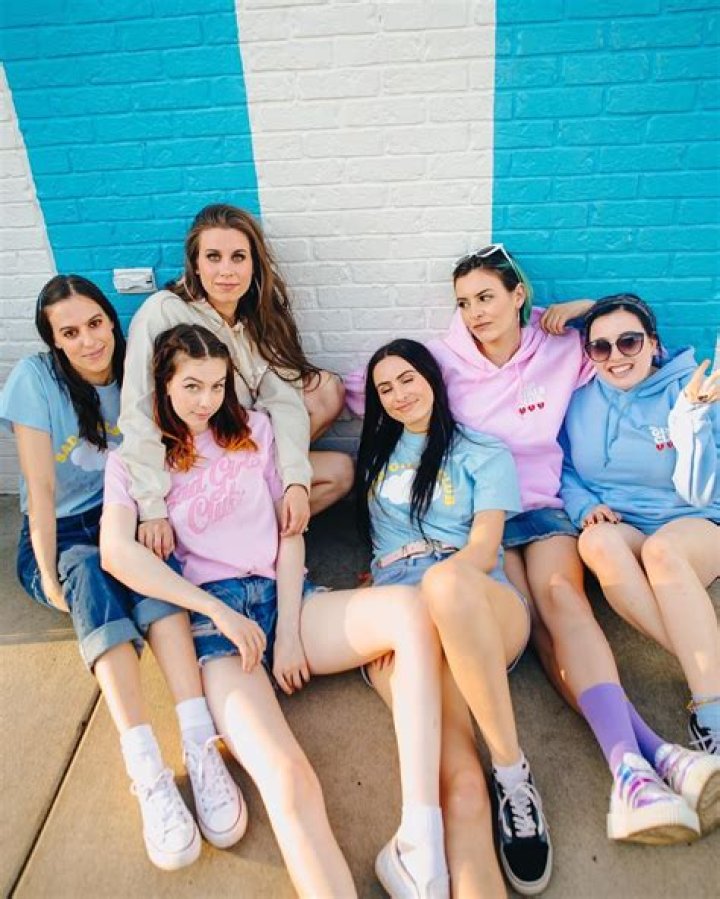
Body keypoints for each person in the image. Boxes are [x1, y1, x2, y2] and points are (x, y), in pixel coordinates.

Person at [345, 245, 716, 846]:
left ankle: (634, 768)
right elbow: (368, 390)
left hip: (541, 507)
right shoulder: (442, 361)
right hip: (471, 522)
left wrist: (583, 308)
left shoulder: (562, 348)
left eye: (487, 297)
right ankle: (647, 756)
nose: (475, 313)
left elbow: (627, 344)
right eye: (464, 303)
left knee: (562, 602)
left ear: (519, 296)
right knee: (536, 632)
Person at [101, 323, 449, 899]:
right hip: (217, 630)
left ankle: (419, 834)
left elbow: (290, 531)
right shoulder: (135, 461)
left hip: (286, 596)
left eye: (217, 386)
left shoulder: (253, 430)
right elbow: (116, 553)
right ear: (162, 384)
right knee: (287, 779)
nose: (207, 401)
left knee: (411, 610)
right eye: (191, 386)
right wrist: (214, 610)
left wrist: (288, 630)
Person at [0, 275, 246, 871]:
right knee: (89, 570)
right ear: (54, 341)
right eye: (70, 333)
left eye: (95, 324)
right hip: (62, 533)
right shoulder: (35, 380)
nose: (88, 341)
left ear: (112, 320)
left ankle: (199, 740)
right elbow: (40, 489)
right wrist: (53, 579)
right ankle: (147, 768)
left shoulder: (138, 365)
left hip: (123, 512)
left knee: (152, 568)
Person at [356, 338, 551, 898]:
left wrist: (434, 596)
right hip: (409, 625)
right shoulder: (376, 456)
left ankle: (512, 773)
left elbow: (485, 550)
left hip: (478, 606)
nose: (398, 394)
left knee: (443, 584)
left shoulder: (482, 451)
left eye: (407, 379)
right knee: (459, 785)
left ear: (433, 378)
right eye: (384, 388)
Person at [119, 203, 353, 562]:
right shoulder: (164, 312)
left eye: (238, 257)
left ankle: (249, 530)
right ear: (195, 264)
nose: (226, 271)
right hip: (190, 465)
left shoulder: (258, 316)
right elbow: (139, 411)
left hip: (239, 450)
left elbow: (284, 400)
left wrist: (295, 481)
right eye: (213, 257)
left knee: (338, 467)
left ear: (254, 264)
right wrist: (151, 508)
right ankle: (206, 537)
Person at [561, 293, 720, 779]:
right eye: (601, 347)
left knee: (662, 551)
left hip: (694, 522)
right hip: (625, 523)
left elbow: (700, 492)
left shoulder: (692, 391)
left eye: (629, 341)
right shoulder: (580, 401)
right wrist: (584, 506)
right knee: (595, 543)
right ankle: (701, 658)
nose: (616, 356)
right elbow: (564, 467)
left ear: (653, 343)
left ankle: (711, 710)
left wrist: (693, 421)